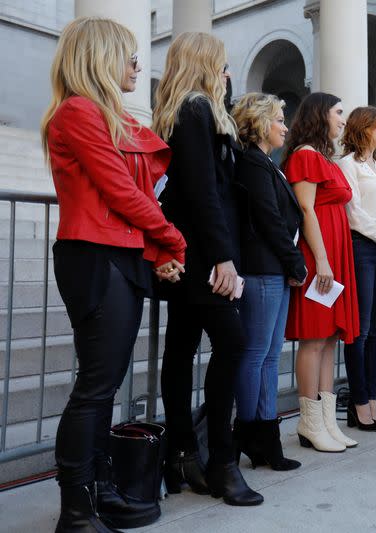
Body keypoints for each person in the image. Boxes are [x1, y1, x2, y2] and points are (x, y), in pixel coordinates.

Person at [43, 17, 187, 531]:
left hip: (112, 256)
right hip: (93, 256)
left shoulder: (95, 115)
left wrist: (154, 249)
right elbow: (121, 194)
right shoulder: (78, 112)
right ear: (101, 59)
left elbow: (129, 199)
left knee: (102, 385)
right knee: (96, 387)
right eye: (128, 57)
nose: (136, 65)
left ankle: (100, 492)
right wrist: (172, 238)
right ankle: (76, 512)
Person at [153, 32, 262, 506]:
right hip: (199, 254)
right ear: (203, 65)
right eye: (221, 65)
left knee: (180, 349)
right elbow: (202, 191)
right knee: (232, 343)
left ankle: (181, 454)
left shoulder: (196, 111)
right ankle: (220, 460)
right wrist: (223, 258)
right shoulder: (194, 110)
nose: (228, 73)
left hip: (194, 252)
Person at [230, 93, 305, 470]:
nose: (285, 126)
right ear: (261, 123)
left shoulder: (265, 163)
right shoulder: (253, 164)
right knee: (257, 355)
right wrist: (295, 262)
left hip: (273, 268)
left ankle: (265, 437)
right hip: (262, 269)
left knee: (270, 356)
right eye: (279, 119)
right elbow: (268, 219)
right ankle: (249, 430)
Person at [282, 92, 360, 452]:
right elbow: (306, 209)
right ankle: (309, 422)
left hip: (334, 252)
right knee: (314, 338)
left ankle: (327, 420)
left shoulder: (325, 157)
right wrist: (324, 261)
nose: (343, 118)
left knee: (329, 338)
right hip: (319, 256)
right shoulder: (305, 156)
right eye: (339, 112)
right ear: (321, 115)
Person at [337, 106, 376, 431]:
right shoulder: (347, 165)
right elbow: (353, 213)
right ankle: (358, 402)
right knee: (358, 331)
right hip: (362, 248)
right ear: (364, 128)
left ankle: (372, 399)